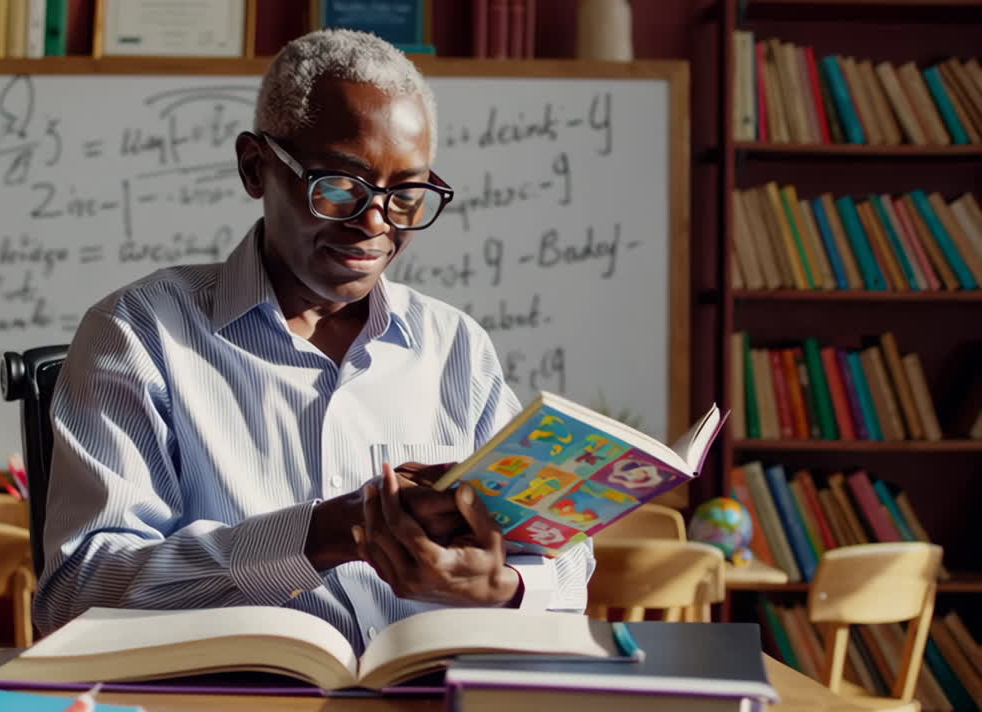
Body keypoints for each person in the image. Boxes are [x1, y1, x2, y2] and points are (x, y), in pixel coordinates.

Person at [35, 28, 595, 651]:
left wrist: (505, 585)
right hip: (232, 692)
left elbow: (567, 552)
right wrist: (320, 536)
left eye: (406, 195)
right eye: (338, 187)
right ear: (256, 167)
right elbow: (76, 595)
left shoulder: (454, 347)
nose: (375, 223)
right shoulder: (140, 334)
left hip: (426, 688)